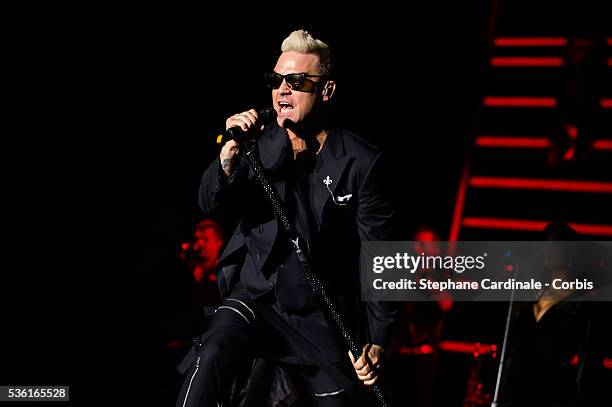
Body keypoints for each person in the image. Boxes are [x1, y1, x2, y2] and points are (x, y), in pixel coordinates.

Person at [176, 29, 397, 406]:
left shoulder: (360, 161)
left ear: (325, 91)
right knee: (212, 353)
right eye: (276, 81)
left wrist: (378, 339)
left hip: (318, 312)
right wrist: (227, 156)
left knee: (343, 399)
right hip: (257, 295)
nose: (282, 91)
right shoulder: (257, 140)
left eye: (296, 82)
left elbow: (379, 253)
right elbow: (208, 204)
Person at [495, 222, 607, 406]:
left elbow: (587, 359)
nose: (548, 249)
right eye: (546, 243)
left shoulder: (582, 300)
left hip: (552, 393)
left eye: (555, 244)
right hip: (515, 391)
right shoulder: (533, 293)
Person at [180, 218, 224, 306]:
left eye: (205, 239)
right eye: (197, 239)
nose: (199, 245)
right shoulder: (190, 270)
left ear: (219, 242)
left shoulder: (227, 273)